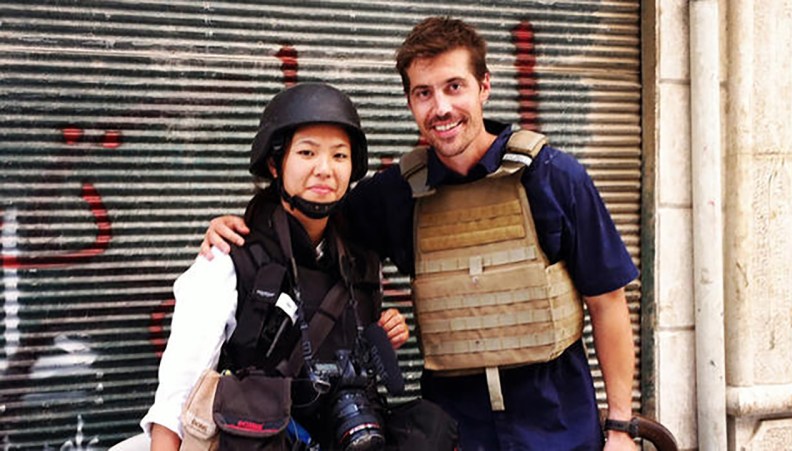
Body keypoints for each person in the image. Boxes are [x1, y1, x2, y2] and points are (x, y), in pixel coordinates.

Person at [201, 17, 638, 451]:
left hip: (557, 427)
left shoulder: (555, 178)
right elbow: (309, 219)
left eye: (454, 86)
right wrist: (234, 228)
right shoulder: (396, 194)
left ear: (484, 86)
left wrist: (620, 428)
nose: (440, 108)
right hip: (455, 432)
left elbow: (607, 303)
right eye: (423, 93)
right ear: (410, 102)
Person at [138, 82, 410, 450]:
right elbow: (176, 400)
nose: (325, 170)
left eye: (339, 156)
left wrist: (379, 336)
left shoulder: (358, 262)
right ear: (274, 164)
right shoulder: (229, 259)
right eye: (307, 152)